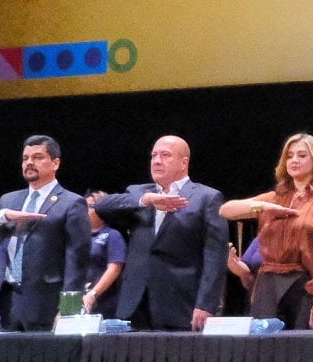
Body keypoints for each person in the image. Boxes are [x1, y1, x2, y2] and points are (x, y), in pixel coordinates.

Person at [94, 135, 228, 331]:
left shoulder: (207, 197)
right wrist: (145, 200)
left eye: (165, 155)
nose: (157, 160)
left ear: (184, 163)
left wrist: (206, 304)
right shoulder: (138, 193)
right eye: (154, 155)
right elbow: (101, 206)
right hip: (135, 304)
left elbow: (215, 257)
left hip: (181, 304)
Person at [0, 135, 88, 332]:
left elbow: (77, 260)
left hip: (48, 304)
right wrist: (2, 216)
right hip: (7, 302)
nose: (29, 162)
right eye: (25, 158)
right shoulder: (9, 201)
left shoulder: (71, 203)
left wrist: (69, 309)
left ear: (55, 163)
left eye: (37, 157)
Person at [221, 133, 313, 328]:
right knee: (264, 352)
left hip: (305, 286)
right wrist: (263, 207)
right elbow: (226, 210)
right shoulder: (274, 198)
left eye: (301, 155)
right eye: (289, 156)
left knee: (302, 352)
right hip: (268, 286)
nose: (294, 160)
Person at [82, 192, 126, 319]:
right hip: (78, 298)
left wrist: (93, 294)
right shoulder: (77, 236)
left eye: (90, 206)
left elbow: (114, 268)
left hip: (103, 301)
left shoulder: (113, 235)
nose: (85, 211)